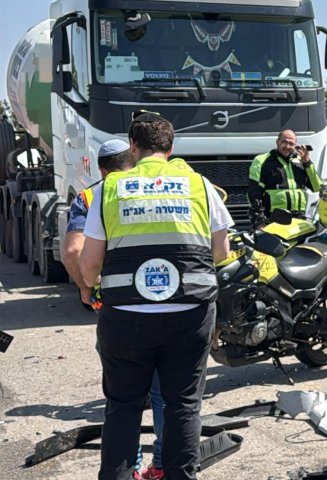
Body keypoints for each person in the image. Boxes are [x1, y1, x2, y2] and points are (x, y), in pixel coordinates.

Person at [79, 112, 233, 480]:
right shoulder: (200, 185)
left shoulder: (111, 188)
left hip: (127, 315)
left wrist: (91, 284)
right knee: (183, 404)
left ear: (133, 147)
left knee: (123, 405)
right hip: (189, 313)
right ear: (171, 147)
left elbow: (89, 264)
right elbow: (221, 251)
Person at [61, 139, 166, 480]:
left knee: (124, 395)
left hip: (116, 305)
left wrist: (86, 288)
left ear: (101, 169)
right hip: (163, 296)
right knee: (163, 392)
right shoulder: (157, 187)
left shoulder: (90, 196)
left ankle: (130, 467)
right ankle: (162, 464)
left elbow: (73, 251)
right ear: (132, 159)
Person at [247, 129, 322, 224]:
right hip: (273, 218)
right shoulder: (261, 161)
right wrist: (259, 221)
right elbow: (254, 194)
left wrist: (307, 163)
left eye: (291, 144)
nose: (287, 146)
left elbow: (317, 187)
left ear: (295, 145)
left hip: (299, 218)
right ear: (277, 142)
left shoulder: (301, 161)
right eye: (284, 142)